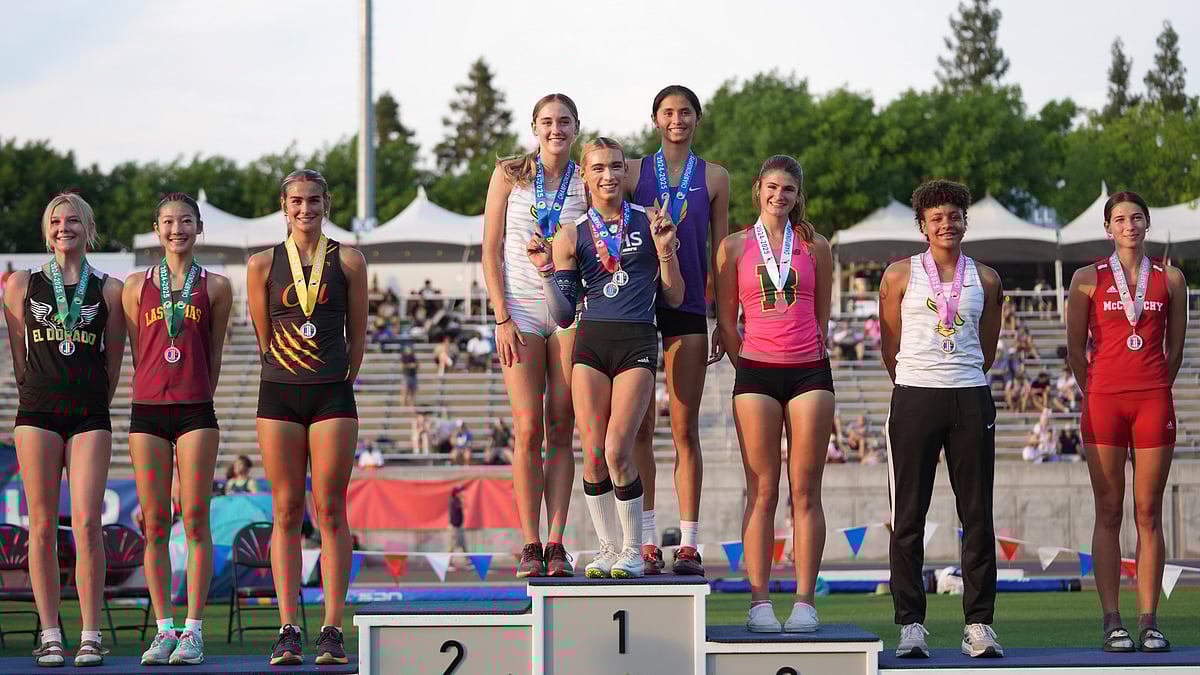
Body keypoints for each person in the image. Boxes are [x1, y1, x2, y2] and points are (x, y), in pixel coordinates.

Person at [529, 136, 683, 579]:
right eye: (598, 168)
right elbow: (561, 313)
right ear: (585, 174)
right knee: (593, 452)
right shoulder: (570, 234)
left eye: (616, 166)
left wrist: (666, 249)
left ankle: (633, 550)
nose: (609, 175)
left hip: (636, 341)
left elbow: (674, 295)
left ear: (624, 172)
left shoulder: (651, 220)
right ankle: (607, 550)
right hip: (590, 343)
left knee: (619, 448)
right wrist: (545, 270)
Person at [879, 179, 1004, 659]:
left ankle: (979, 624)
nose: (946, 225)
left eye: (954, 216)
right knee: (907, 517)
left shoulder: (987, 278)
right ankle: (911, 624)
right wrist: (915, 379)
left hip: (970, 396)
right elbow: (889, 345)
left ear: (965, 221)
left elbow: (987, 347)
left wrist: (960, 375)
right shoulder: (898, 274)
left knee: (977, 516)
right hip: (914, 396)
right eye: (936, 218)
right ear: (923, 226)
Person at [247, 169, 368, 666]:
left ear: (327, 202)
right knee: (285, 511)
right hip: (279, 394)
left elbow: (357, 336)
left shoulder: (351, 260)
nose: (305, 209)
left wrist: (337, 378)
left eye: (314, 200)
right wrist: (288, 369)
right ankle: (289, 628)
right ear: (283, 205)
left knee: (332, 511)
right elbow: (262, 333)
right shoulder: (260, 264)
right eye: (296, 201)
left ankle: (332, 630)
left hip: (332, 396)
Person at [3, 193, 126, 667]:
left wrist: (92, 398)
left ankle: (91, 633)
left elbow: (113, 362)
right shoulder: (21, 283)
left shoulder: (109, 288)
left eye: (73, 220)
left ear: (88, 227)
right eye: (56, 221)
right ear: (46, 228)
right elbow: (19, 357)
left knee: (88, 524)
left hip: (89, 414)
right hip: (37, 413)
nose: (63, 228)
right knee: (40, 525)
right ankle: (51, 633)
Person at [714, 155, 834, 633]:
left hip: (809, 371)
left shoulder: (816, 246)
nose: (778, 196)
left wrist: (805, 352)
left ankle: (805, 601)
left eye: (788, 189)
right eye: (771, 187)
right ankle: (759, 602)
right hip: (756, 372)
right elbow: (725, 319)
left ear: (797, 194)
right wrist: (749, 363)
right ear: (757, 189)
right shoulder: (733, 246)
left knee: (805, 490)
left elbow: (821, 315)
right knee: (761, 491)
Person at [1066, 191, 1186, 653]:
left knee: (1148, 513)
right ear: (1108, 228)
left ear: (1147, 223)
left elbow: (1175, 350)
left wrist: (1154, 385)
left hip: (1153, 399)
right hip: (1103, 403)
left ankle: (1150, 620)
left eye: (1136, 217)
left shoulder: (1171, 279)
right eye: (1120, 219)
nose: (1129, 225)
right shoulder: (1086, 278)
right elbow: (1076, 351)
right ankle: (1112, 620)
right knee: (1109, 511)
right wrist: (1096, 389)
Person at [121, 192, 233, 666]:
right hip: (147, 410)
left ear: (198, 227)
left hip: (194, 409)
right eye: (168, 222)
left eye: (185, 221)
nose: (176, 230)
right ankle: (163, 628)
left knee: (194, 517)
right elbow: (137, 348)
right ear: (156, 229)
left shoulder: (218, 286)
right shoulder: (133, 286)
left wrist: (194, 390)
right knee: (153, 523)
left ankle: (193, 630)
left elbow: (214, 352)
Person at [627, 85, 730, 575]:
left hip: (689, 307)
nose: (677, 120)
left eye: (685, 112)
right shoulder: (631, 172)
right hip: (639, 309)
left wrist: (724, 320)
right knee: (642, 429)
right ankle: (645, 540)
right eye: (668, 112)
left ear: (697, 119)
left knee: (685, 428)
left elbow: (722, 253)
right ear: (654, 119)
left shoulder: (714, 177)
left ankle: (689, 543)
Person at [482, 94, 586, 578]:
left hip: (569, 311)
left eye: (564, 121)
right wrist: (501, 317)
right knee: (528, 430)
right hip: (521, 313)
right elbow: (490, 250)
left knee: (563, 427)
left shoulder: (589, 176)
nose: (555, 129)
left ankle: (557, 541)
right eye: (547, 122)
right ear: (534, 127)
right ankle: (528, 542)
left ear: (576, 126)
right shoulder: (510, 174)